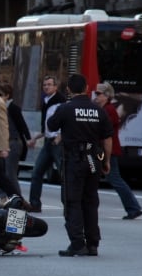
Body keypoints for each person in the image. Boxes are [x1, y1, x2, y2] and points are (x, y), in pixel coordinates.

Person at [47, 74, 113, 257]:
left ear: (68, 90)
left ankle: (77, 243)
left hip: (74, 160)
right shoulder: (99, 110)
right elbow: (108, 138)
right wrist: (106, 161)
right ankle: (93, 244)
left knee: (71, 201)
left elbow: (51, 125)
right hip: (94, 159)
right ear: (86, 88)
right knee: (90, 201)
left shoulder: (65, 109)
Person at [93, 82, 142, 220]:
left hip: (109, 150)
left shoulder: (109, 110)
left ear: (107, 96)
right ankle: (133, 208)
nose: (95, 96)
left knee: (115, 179)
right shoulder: (104, 109)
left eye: (98, 94)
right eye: (95, 93)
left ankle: (133, 207)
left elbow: (105, 133)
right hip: (104, 149)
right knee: (107, 178)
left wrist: (106, 157)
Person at [27, 75, 66, 212]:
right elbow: (47, 127)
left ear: (56, 86)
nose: (46, 87)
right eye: (44, 85)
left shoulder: (60, 101)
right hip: (48, 141)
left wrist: (60, 137)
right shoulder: (46, 101)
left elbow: (64, 121)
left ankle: (69, 205)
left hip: (58, 143)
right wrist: (35, 138)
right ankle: (34, 204)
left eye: (49, 84)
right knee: (37, 172)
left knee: (64, 174)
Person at [0, 82, 32, 205]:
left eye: (0, 95)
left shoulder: (13, 108)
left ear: (7, 96)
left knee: (10, 174)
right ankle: (3, 197)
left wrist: (29, 139)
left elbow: (22, 125)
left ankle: (18, 200)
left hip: (12, 143)